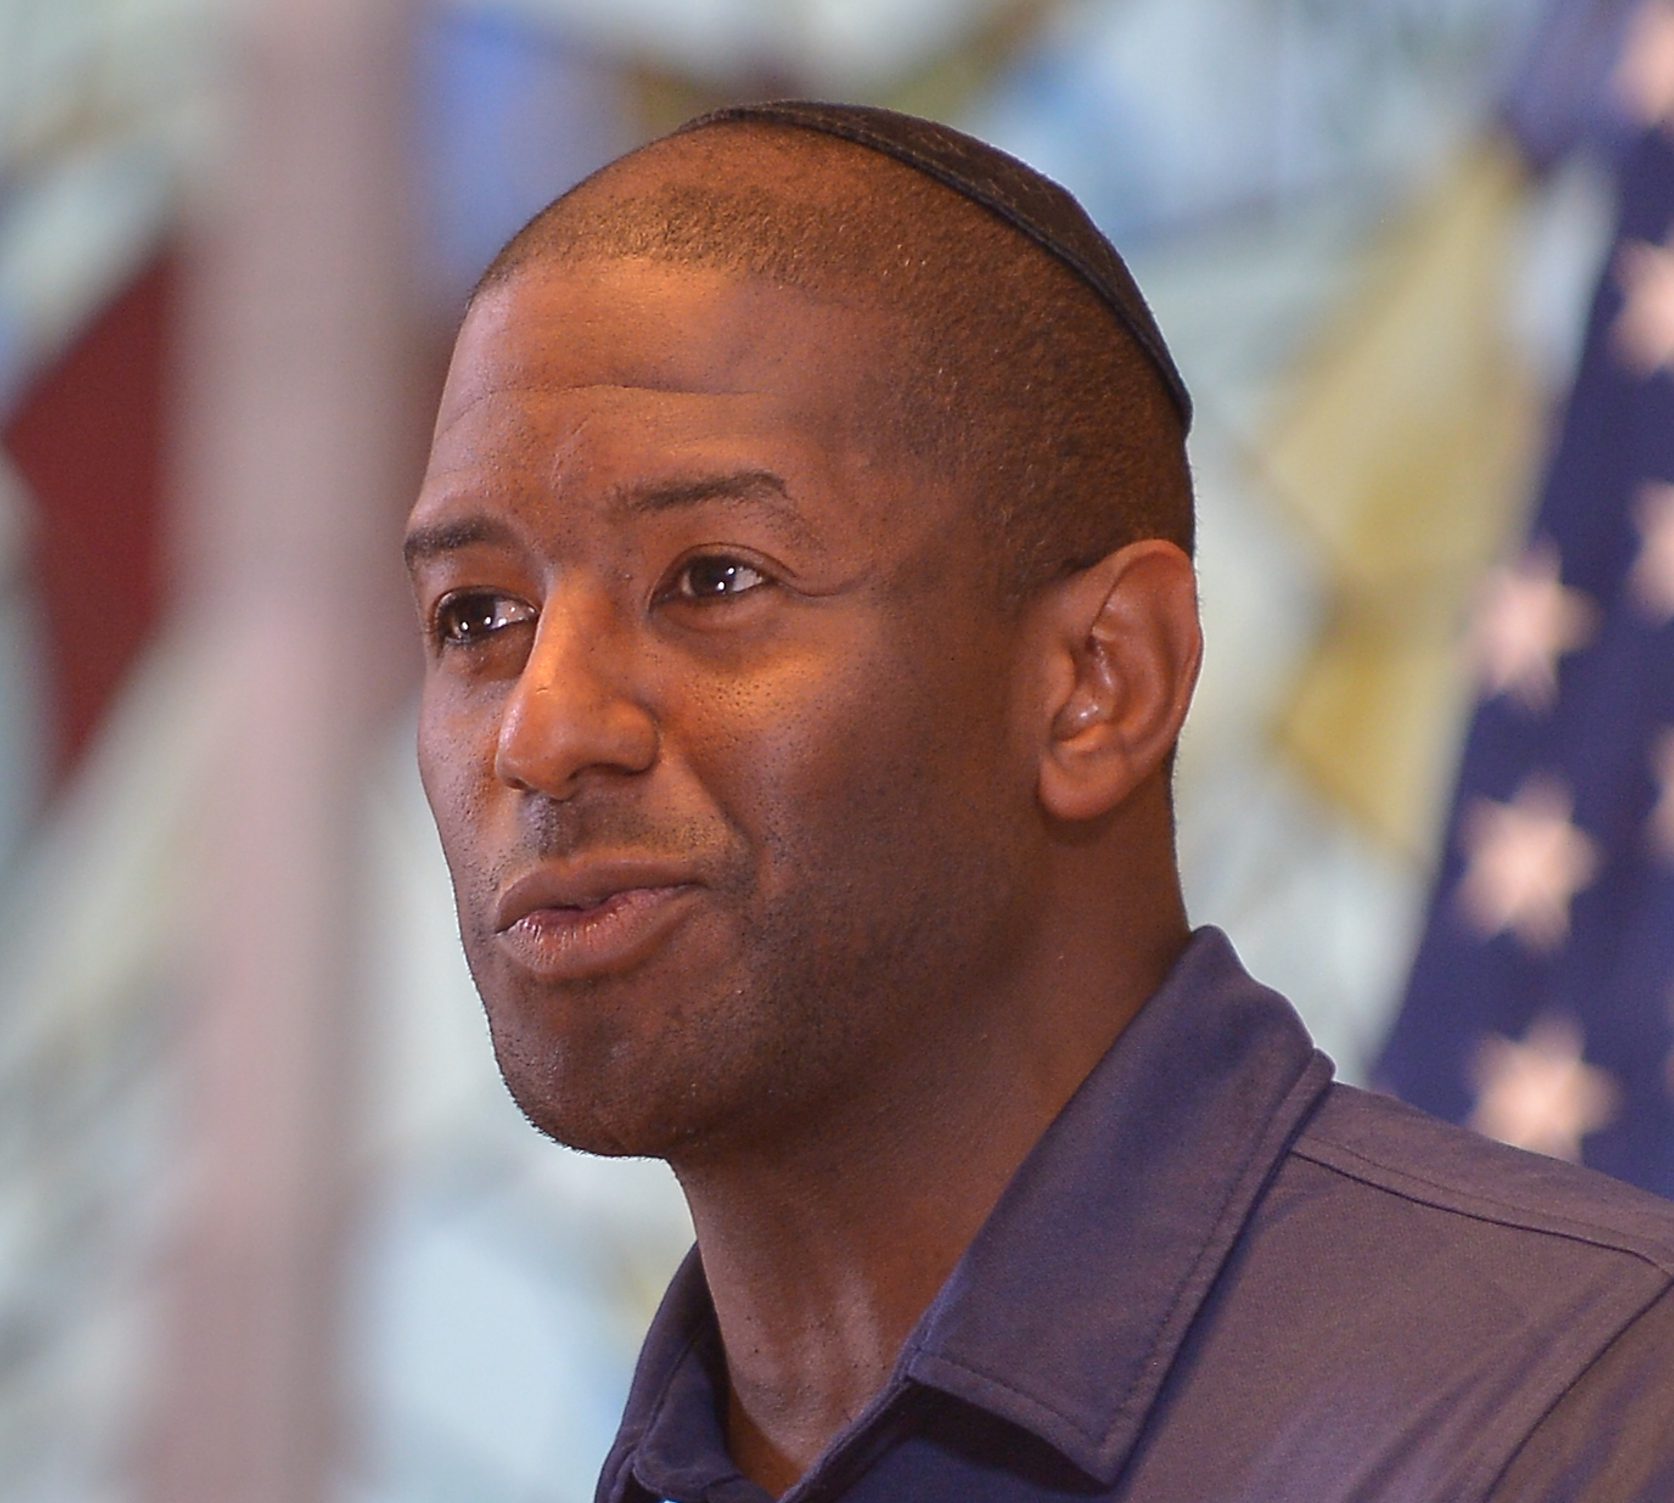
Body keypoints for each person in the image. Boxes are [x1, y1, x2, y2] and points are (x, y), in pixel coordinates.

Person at [404, 101, 1674, 1502]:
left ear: (1097, 681)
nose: (541, 730)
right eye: (476, 615)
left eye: (712, 579)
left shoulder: (1584, 1422)